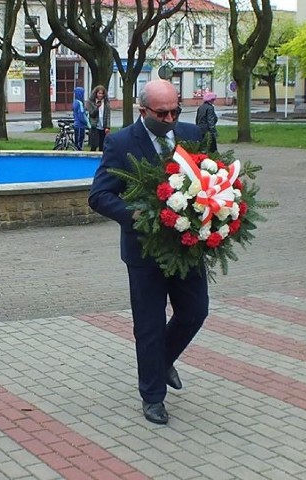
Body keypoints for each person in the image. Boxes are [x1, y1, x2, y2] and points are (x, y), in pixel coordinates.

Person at [89, 79, 207, 425]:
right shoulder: (121, 142)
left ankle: (163, 360)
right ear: (144, 111)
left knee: (196, 311)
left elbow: (209, 178)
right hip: (144, 252)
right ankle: (153, 396)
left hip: (187, 247)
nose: (170, 118)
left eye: (175, 111)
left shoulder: (193, 135)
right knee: (149, 325)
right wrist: (134, 214)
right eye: (162, 113)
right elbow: (99, 195)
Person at [86, 85, 111, 151]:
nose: (100, 95)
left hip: (103, 126)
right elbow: (92, 114)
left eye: (102, 93)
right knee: (94, 145)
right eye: (99, 93)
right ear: (96, 93)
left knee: (102, 146)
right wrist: (97, 107)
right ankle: (91, 159)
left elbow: (108, 115)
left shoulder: (106, 103)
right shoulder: (91, 102)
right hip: (95, 126)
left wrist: (107, 127)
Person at [72, 86, 89, 150]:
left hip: (76, 124)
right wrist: (86, 123)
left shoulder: (75, 102)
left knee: (76, 141)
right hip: (80, 125)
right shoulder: (80, 103)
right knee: (80, 142)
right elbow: (81, 115)